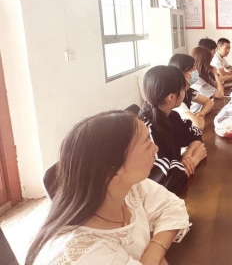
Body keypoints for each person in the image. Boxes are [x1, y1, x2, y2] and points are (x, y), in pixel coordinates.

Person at [26, 111, 190, 265]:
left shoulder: (126, 186)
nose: (156, 148)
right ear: (112, 172)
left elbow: (172, 206)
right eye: (147, 145)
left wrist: (155, 250)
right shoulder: (83, 253)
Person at [139, 66, 207, 194]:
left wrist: (188, 154)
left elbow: (195, 132)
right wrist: (194, 160)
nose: (184, 92)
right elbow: (163, 184)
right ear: (171, 97)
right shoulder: (146, 130)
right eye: (182, 89)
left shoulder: (171, 116)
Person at [168, 53, 214, 130]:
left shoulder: (188, 91)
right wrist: (199, 117)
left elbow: (209, 102)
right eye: (192, 69)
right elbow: (198, 126)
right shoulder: (176, 97)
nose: (195, 71)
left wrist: (202, 113)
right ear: (181, 74)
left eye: (195, 67)